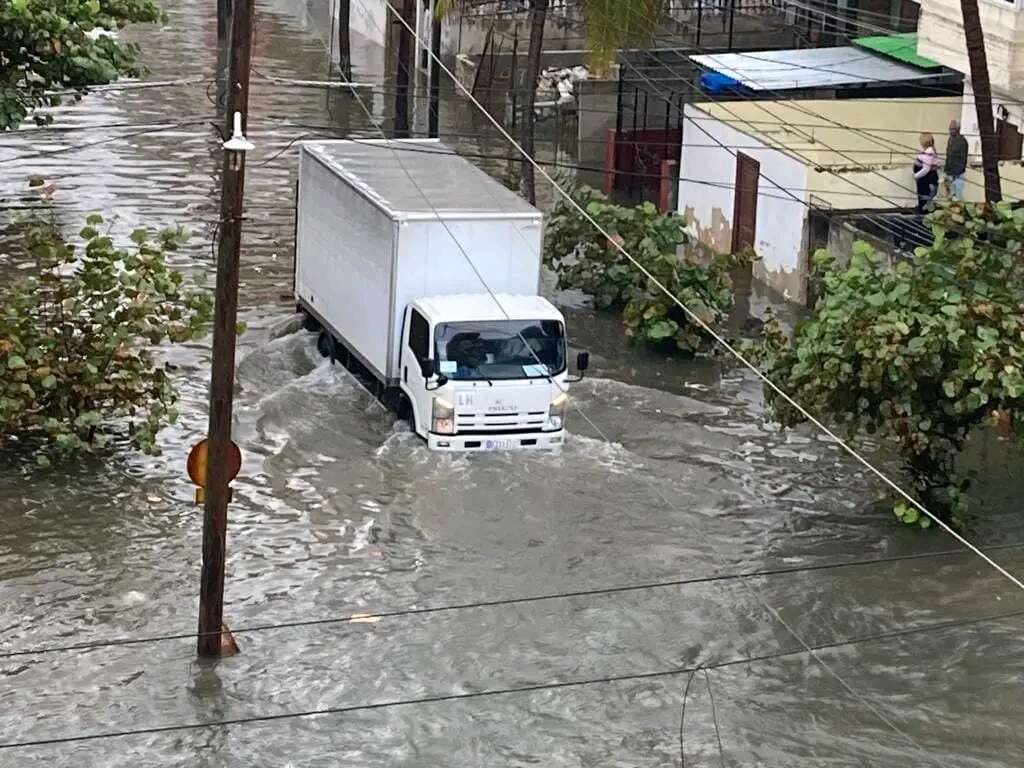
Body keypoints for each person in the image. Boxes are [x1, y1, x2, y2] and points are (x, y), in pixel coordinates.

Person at [913, 132, 939, 214]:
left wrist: (916, 175)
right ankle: (922, 208)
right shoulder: (927, 150)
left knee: (925, 196)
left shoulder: (929, 152)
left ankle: (923, 212)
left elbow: (926, 169)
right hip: (924, 178)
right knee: (922, 195)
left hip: (926, 178)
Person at [945, 120, 968, 201]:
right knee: (949, 194)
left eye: (953, 129)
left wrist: (958, 171)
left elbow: (962, 158)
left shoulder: (962, 141)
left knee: (958, 194)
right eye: (950, 129)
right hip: (949, 171)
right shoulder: (950, 139)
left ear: (958, 129)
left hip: (958, 172)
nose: (951, 131)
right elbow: (948, 155)